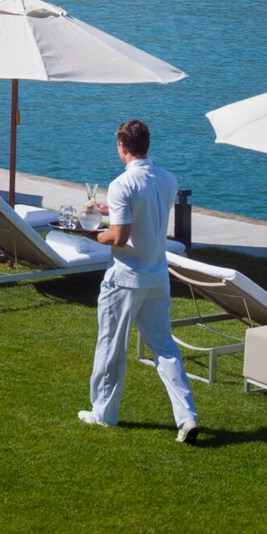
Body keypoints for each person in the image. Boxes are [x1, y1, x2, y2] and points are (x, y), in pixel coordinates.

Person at [81, 118, 200, 443]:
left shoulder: (121, 184)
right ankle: (187, 416)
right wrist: (112, 210)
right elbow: (147, 211)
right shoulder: (168, 179)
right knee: (165, 348)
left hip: (125, 278)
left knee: (111, 345)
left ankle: (103, 413)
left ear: (122, 146)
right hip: (157, 275)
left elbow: (119, 237)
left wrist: (90, 233)